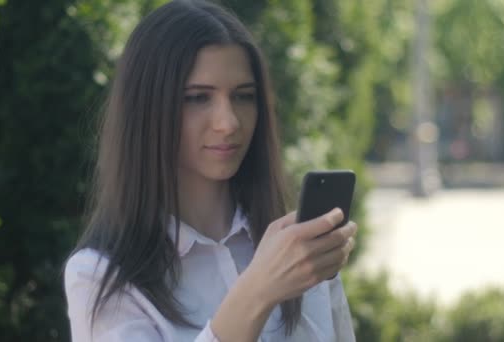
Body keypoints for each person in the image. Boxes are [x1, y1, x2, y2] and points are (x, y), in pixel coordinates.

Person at [63, 1, 358, 341]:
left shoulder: (296, 248)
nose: (228, 122)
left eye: (243, 97)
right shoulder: (99, 276)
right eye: (198, 98)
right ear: (148, 108)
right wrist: (258, 292)